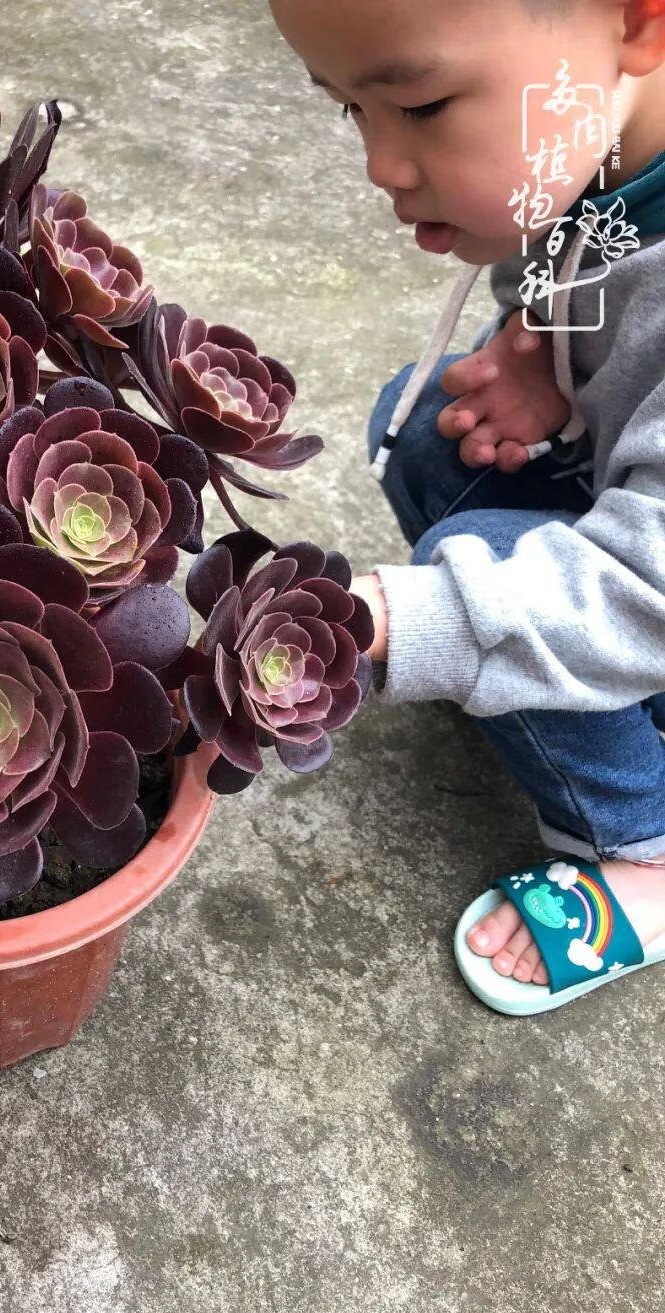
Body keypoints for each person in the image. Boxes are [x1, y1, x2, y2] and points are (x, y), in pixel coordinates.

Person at [267, 0, 665, 1012]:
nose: (383, 168)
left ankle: (644, 846)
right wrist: (554, 369)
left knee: (471, 565)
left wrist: (404, 616)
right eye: (352, 111)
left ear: (634, 25)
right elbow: (584, 276)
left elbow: (646, 588)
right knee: (427, 427)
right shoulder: (593, 144)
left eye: (424, 103)